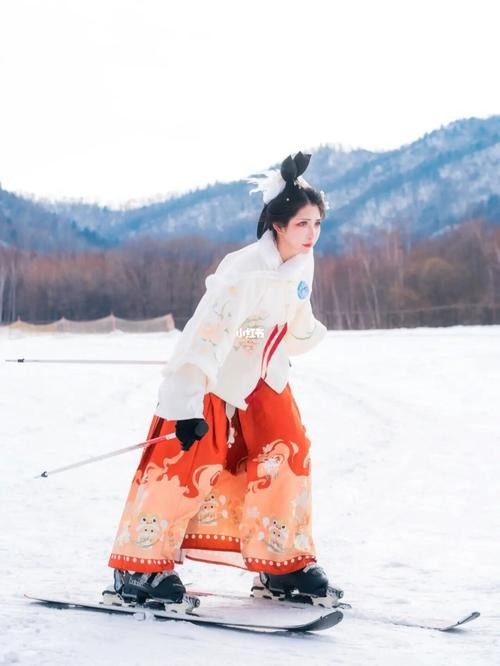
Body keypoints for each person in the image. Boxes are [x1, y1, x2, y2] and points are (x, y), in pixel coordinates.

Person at [105, 151, 344, 611]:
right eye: (302, 224)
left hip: (265, 378)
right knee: (191, 459)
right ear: (278, 225)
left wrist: (290, 335)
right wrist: (187, 401)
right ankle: (139, 565)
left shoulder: (302, 264)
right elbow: (206, 336)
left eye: (317, 224)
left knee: (288, 449)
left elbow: (293, 320)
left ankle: (283, 562)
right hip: (215, 379)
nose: (311, 234)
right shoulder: (245, 270)